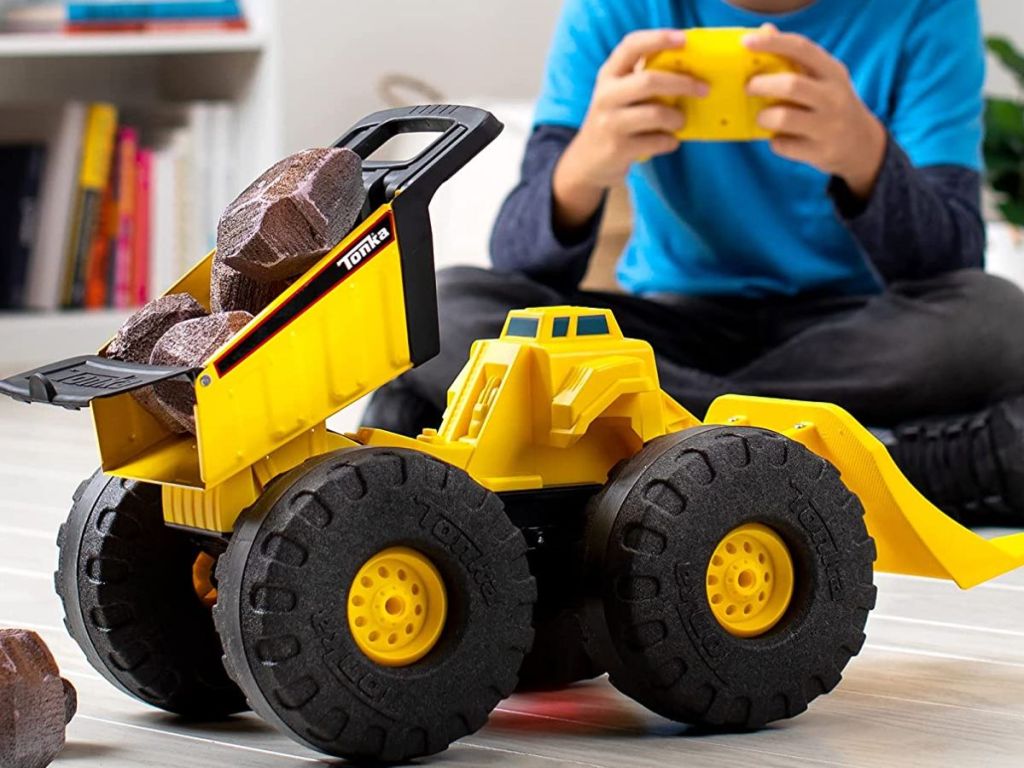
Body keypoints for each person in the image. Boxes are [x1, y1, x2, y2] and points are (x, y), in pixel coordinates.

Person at [366, 0, 1024, 522]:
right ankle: (848, 463)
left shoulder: (928, 9)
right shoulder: (616, 9)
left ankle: (656, 450)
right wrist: (587, 160)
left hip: (854, 332)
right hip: (667, 334)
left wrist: (863, 154)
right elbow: (519, 260)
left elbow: (951, 261)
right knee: (442, 305)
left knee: (998, 321)